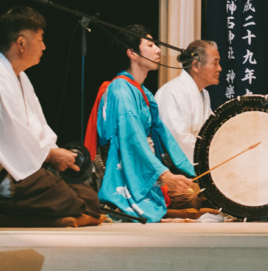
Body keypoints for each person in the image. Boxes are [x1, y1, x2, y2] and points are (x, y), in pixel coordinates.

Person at [0, 7, 104, 226]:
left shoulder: (18, 77)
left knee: (88, 198)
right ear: (21, 43)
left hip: (16, 163)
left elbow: (36, 126)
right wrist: (49, 155)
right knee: (65, 198)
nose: (44, 46)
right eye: (40, 39)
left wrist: (55, 153)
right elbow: (8, 138)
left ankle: (52, 215)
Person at [85, 25, 198, 223]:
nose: (158, 50)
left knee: (201, 189)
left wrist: (191, 170)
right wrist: (165, 175)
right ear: (132, 53)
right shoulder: (121, 90)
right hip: (127, 168)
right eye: (150, 44)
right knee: (193, 197)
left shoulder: (143, 92)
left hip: (146, 165)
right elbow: (132, 140)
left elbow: (164, 136)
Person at [154, 40, 220, 164]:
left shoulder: (204, 94)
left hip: (198, 161)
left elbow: (211, 130)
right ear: (195, 66)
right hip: (173, 169)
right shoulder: (173, 91)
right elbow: (177, 140)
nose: (219, 68)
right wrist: (213, 156)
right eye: (215, 63)